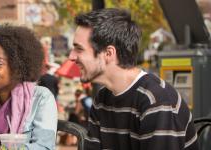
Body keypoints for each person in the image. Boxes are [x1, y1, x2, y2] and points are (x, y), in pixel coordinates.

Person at [69, 8, 198, 150]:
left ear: (108, 53)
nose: (71, 57)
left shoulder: (156, 100)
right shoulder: (102, 99)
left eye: (79, 49)